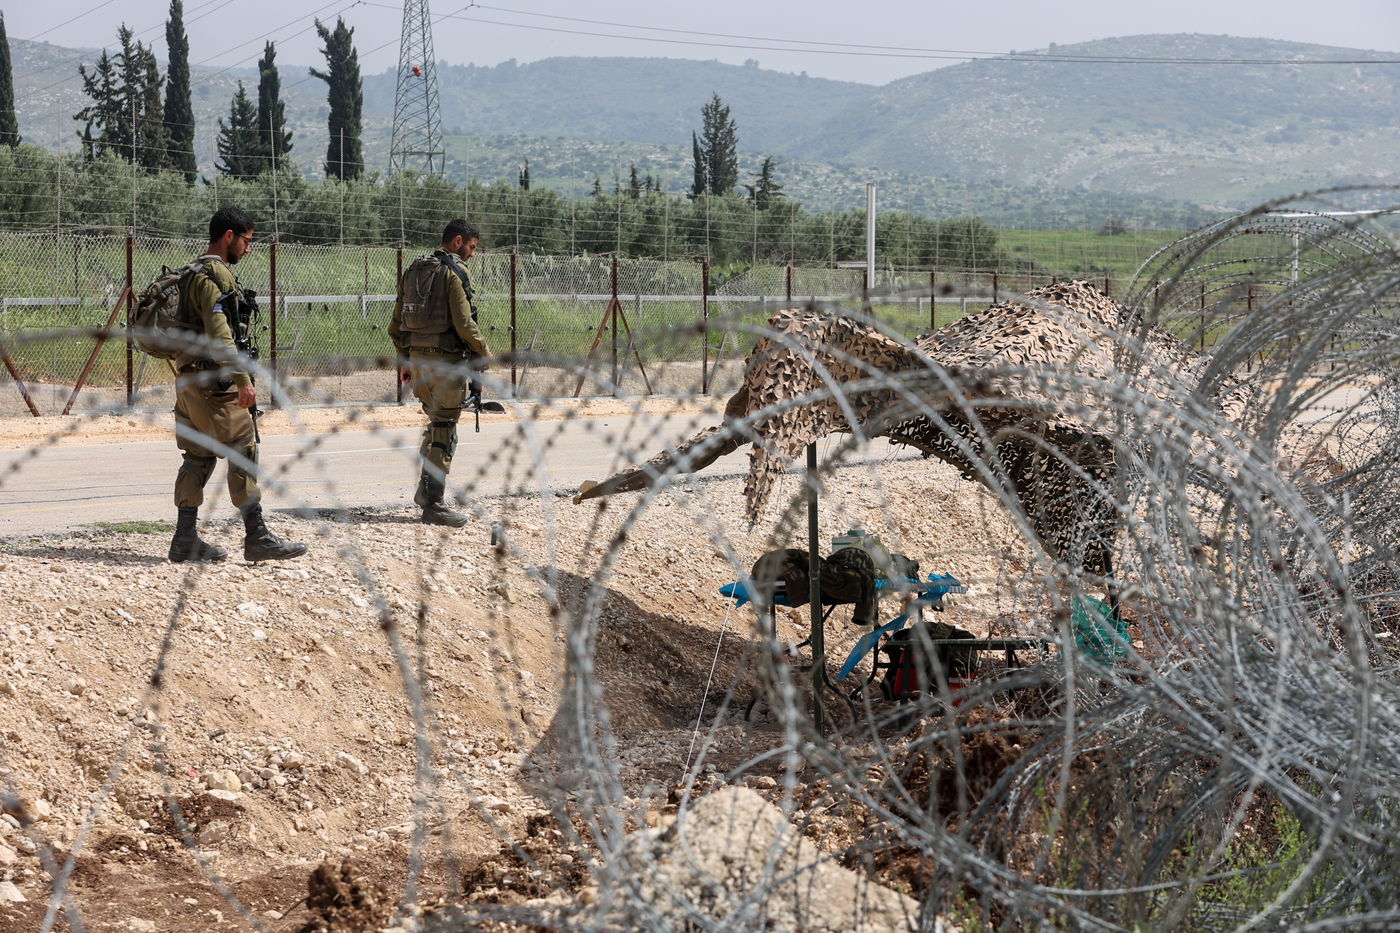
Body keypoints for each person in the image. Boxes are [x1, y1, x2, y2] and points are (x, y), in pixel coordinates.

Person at [167, 206, 307, 563]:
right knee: (243, 448)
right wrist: (244, 380)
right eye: (247, 241)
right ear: (229, 236)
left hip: (187, 383)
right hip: (217, 385)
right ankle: (256, 536)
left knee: (197, 456)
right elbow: (220, 339)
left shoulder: (187, 274)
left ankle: (185, 540)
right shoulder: (213, 279)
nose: (248, 248)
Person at [389, 219, 493, 527]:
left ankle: (425, 492)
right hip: (446, 363)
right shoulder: (453, 273)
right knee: (445, 428)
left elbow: (396, 326)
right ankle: (433, 502)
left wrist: (406, 360)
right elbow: (464, 323)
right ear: (458, 241)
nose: (472, 254)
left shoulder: (412, 271)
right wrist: (483, 350)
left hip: (419, 363)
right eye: (472, 247)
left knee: (435, 424)